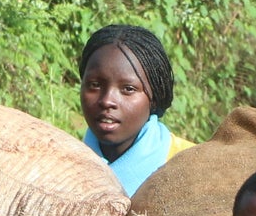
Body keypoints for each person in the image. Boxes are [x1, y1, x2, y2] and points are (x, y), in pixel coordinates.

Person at [78, 25, 194, 195]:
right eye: (95, 85)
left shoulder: (191, 166)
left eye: (128, 89)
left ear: (154, 98)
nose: (107, 101)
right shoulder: (57, 167)